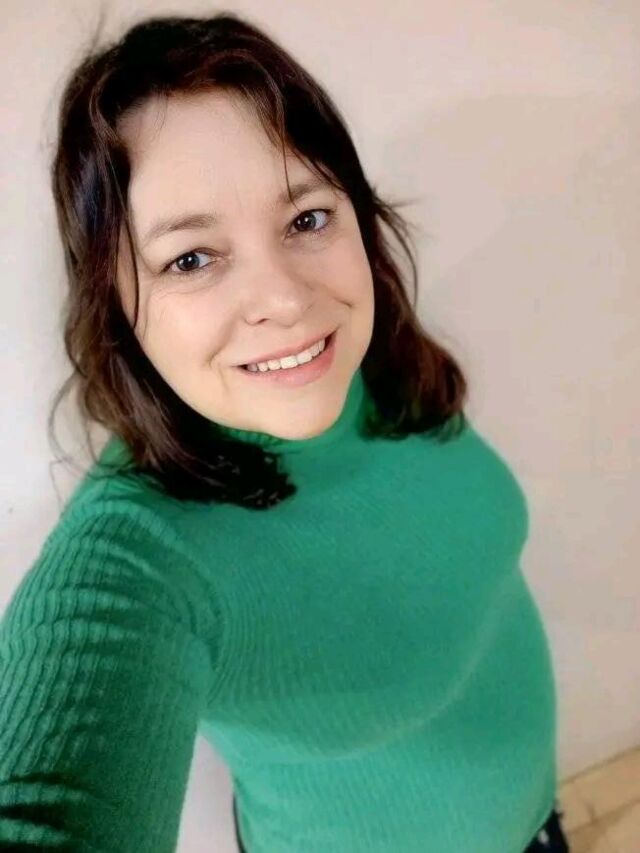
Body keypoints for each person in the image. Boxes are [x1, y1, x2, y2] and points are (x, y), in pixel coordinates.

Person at [0, 12, 571, 852]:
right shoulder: (146, 557)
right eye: (191, 258)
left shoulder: (374, 366)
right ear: (115, 304)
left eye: (306, 219)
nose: (287, 299)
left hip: (537, 820)